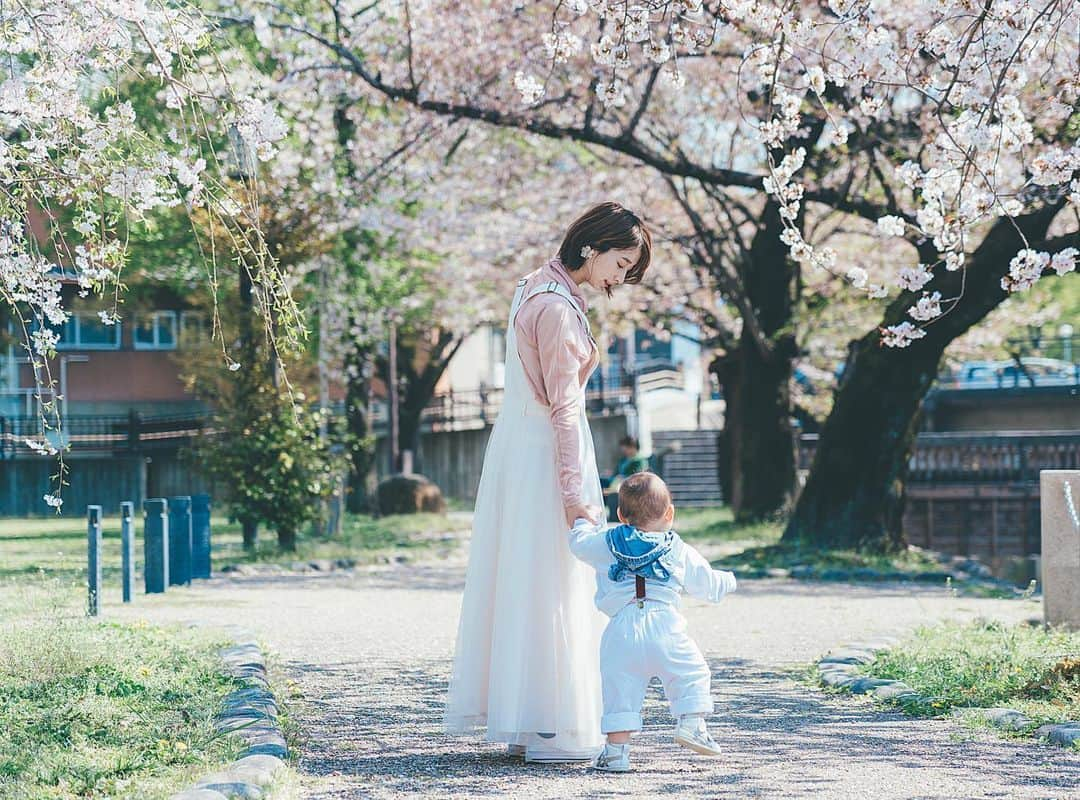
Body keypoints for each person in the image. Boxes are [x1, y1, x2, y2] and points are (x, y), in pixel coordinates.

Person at [443, 202, 653, 763]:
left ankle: (529, 717)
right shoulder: (557, 308)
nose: (621, 276)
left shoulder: (533, 286)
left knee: (526, 575)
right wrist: (576, 494)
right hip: (546, 449)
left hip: (520, 445)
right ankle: (554, 724)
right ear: (593, 246)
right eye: (621, 262)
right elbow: (563, 407)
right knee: (557, 577)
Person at [567, 471, 737, 773]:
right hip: (665, 626)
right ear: (669, 513)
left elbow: (580, 544)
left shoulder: (607, 542)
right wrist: (728, 581)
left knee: (620, 690)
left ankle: (616, 752)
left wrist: (581, 520)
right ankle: (692, 724)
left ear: (620, 514)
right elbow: (706, 583)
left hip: (621, 630)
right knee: (691, 672)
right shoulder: (678, 549)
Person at [601, 435, 650, 521]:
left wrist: (621, 478)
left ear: (633, 447)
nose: (624, 450)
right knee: (601, 481)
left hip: (627, 484)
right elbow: (617, 473)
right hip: (616, 481)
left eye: (626, 448)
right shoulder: (624, 460)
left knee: (612, 490)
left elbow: (638, 476)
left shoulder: (640, 461)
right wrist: (610, 474)